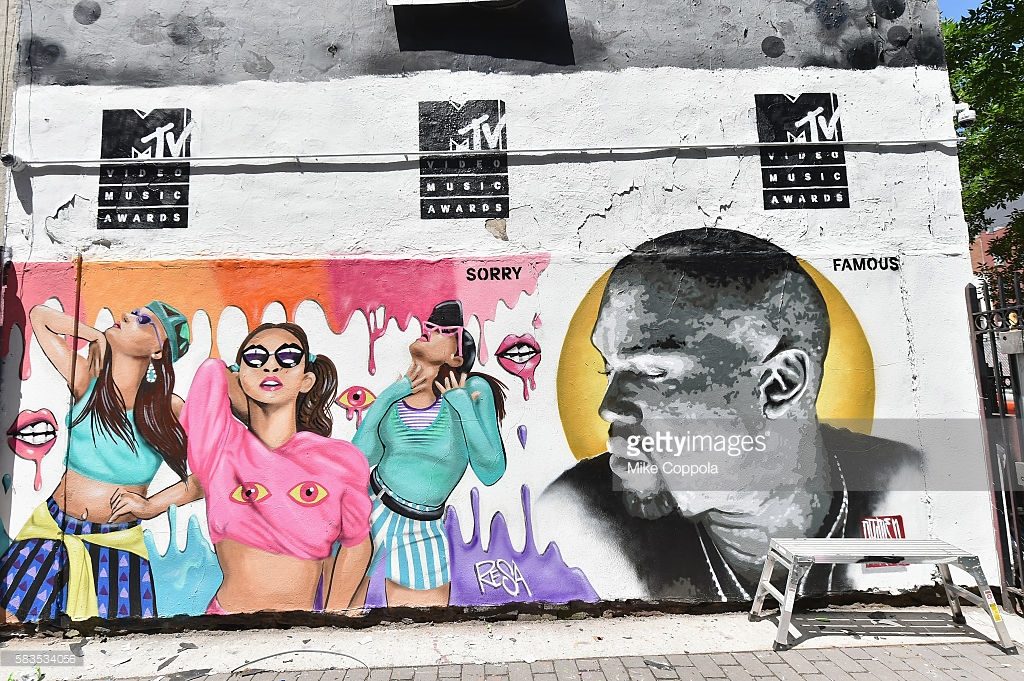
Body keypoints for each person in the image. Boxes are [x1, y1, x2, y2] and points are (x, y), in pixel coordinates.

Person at [538, 228, 923, 602]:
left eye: (653, 372)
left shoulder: (908, 484)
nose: (608, 406)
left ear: (779, 383)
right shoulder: (576, 514)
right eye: (609, 369)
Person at [116, 322, 373, 614]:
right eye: (256, 358)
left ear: (307, 380)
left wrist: (332, 618)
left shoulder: (338, 458)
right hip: (225, 624)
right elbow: (212, 373)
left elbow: (357, 545)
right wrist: (150, 507)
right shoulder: (224, 452)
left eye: (287, 358)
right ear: (239, 376)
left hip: (305, 625)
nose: (271, 367)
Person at [1, 301, 191, 621]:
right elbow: (40, 318)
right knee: (10, 639)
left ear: (159, 350)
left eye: (144, 320)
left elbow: (213, 472)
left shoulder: (169, 409)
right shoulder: (88, 380)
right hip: (51, 528)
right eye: (131, 311)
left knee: (118, 649)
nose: (128, 315)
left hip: (118, 545)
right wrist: (94, 336)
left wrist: (153, 505)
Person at [351, 300, 508, 607]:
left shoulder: (473, 390)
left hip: (421, 526)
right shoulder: (396, 397)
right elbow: (358, 459)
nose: (430, 331)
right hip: (366, 511)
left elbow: (491, 470)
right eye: (430, 326)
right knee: (338, 613)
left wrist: (461, 405)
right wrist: (386, 398)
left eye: (444, 330)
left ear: (456, 354)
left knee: (422, 624)